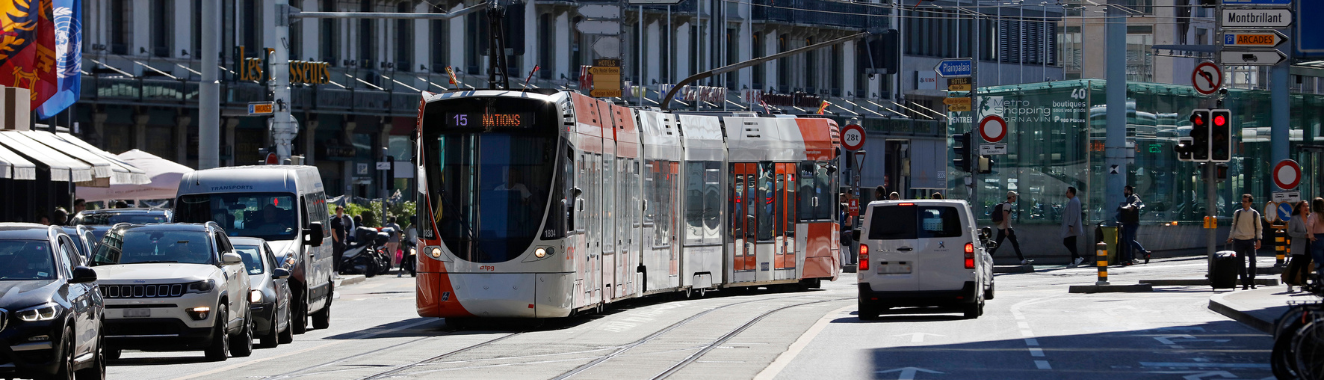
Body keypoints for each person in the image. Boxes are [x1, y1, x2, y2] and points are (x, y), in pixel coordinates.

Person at [1226, 194, 1263, 290]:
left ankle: (1251, 281)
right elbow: (1233, 226)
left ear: (1250, 203)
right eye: (1242, 201)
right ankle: (1244, 283)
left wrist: (1259, 239)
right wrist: (1230, 237)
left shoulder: (1255, 214)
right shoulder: (1237, 213)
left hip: (1250, 240)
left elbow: (1259, 228)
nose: (1243, 203)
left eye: (1245, 201)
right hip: (1239, 240)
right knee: (1241, 263)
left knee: (1253, 261)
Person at [992, 191, 1030, 265]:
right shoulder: (1007, 206)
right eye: (1014, 196)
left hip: (1002, 228)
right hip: (1006, 228)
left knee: (997, 245)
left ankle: (987, 258)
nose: (1015, 198)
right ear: (1012, 197)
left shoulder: (1006, 205)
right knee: (1015, 244)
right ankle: (1022, 260)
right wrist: (1006, 229)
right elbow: (1005, 217)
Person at [1117, 185, 1151, 265]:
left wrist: (1133, 206)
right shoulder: (1128, 198)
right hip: (1127, 222)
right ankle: (1129, 259)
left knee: (1129, 240)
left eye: (1125, 190)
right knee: (1127, 241)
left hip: (1132, 223)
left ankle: (1145, 252)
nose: (1124, 191)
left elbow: (1137, 201)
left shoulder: (1134, 197)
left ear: (1129, 191)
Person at [1286, 201, 1313, 293]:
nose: (1306, 208)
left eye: (1307, 206)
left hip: (1309, 245)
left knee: (1306, 265)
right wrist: (1303, 235)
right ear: (1299, 208)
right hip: (1298, 245)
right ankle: (1290, 284)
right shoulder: (1294, 218)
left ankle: (1303, 284)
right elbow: (1291, 232)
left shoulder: (1310, 218)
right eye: (1304, 206)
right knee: (1296, 265)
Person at [1062, 187, 1085, 267]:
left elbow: (1073, 214)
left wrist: (1071, 225)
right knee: (1072, 243)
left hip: (1072, 226)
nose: (1066, 193)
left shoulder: (1074, 201)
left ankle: (1077, 257)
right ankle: (1074, 261)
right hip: (1072, 225)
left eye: (1067, 192)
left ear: (1071, 193)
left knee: (1066, 242)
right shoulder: (1074, 200)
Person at [330, 206, 350, 272]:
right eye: (339, 211)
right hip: (337, 241)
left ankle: (336, 271)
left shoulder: (342, 219)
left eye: (341, 210)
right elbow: (333, 231)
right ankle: (333, 271)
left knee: (339, 257)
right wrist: (337, 240)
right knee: (335, 257)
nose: (340, 212)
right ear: (336, 211)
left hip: (342, 240)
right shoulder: (334, 221)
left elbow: (343, 229)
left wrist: (344, 237)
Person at [1309, 197, 1324, 282]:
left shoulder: (1313, 215)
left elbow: (1309, 225)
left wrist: (1311, 235)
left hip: (1317, 238)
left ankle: (1321, 279)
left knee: (1319, 261)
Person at [839, 194, 855, 266]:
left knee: (845, 249)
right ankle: (843, 263)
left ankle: (847, 262)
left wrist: (843, 224)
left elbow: (849, 224)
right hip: (842, 233)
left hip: (846, 233)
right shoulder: (842, 215)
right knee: (841, 249)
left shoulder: (848, 215)